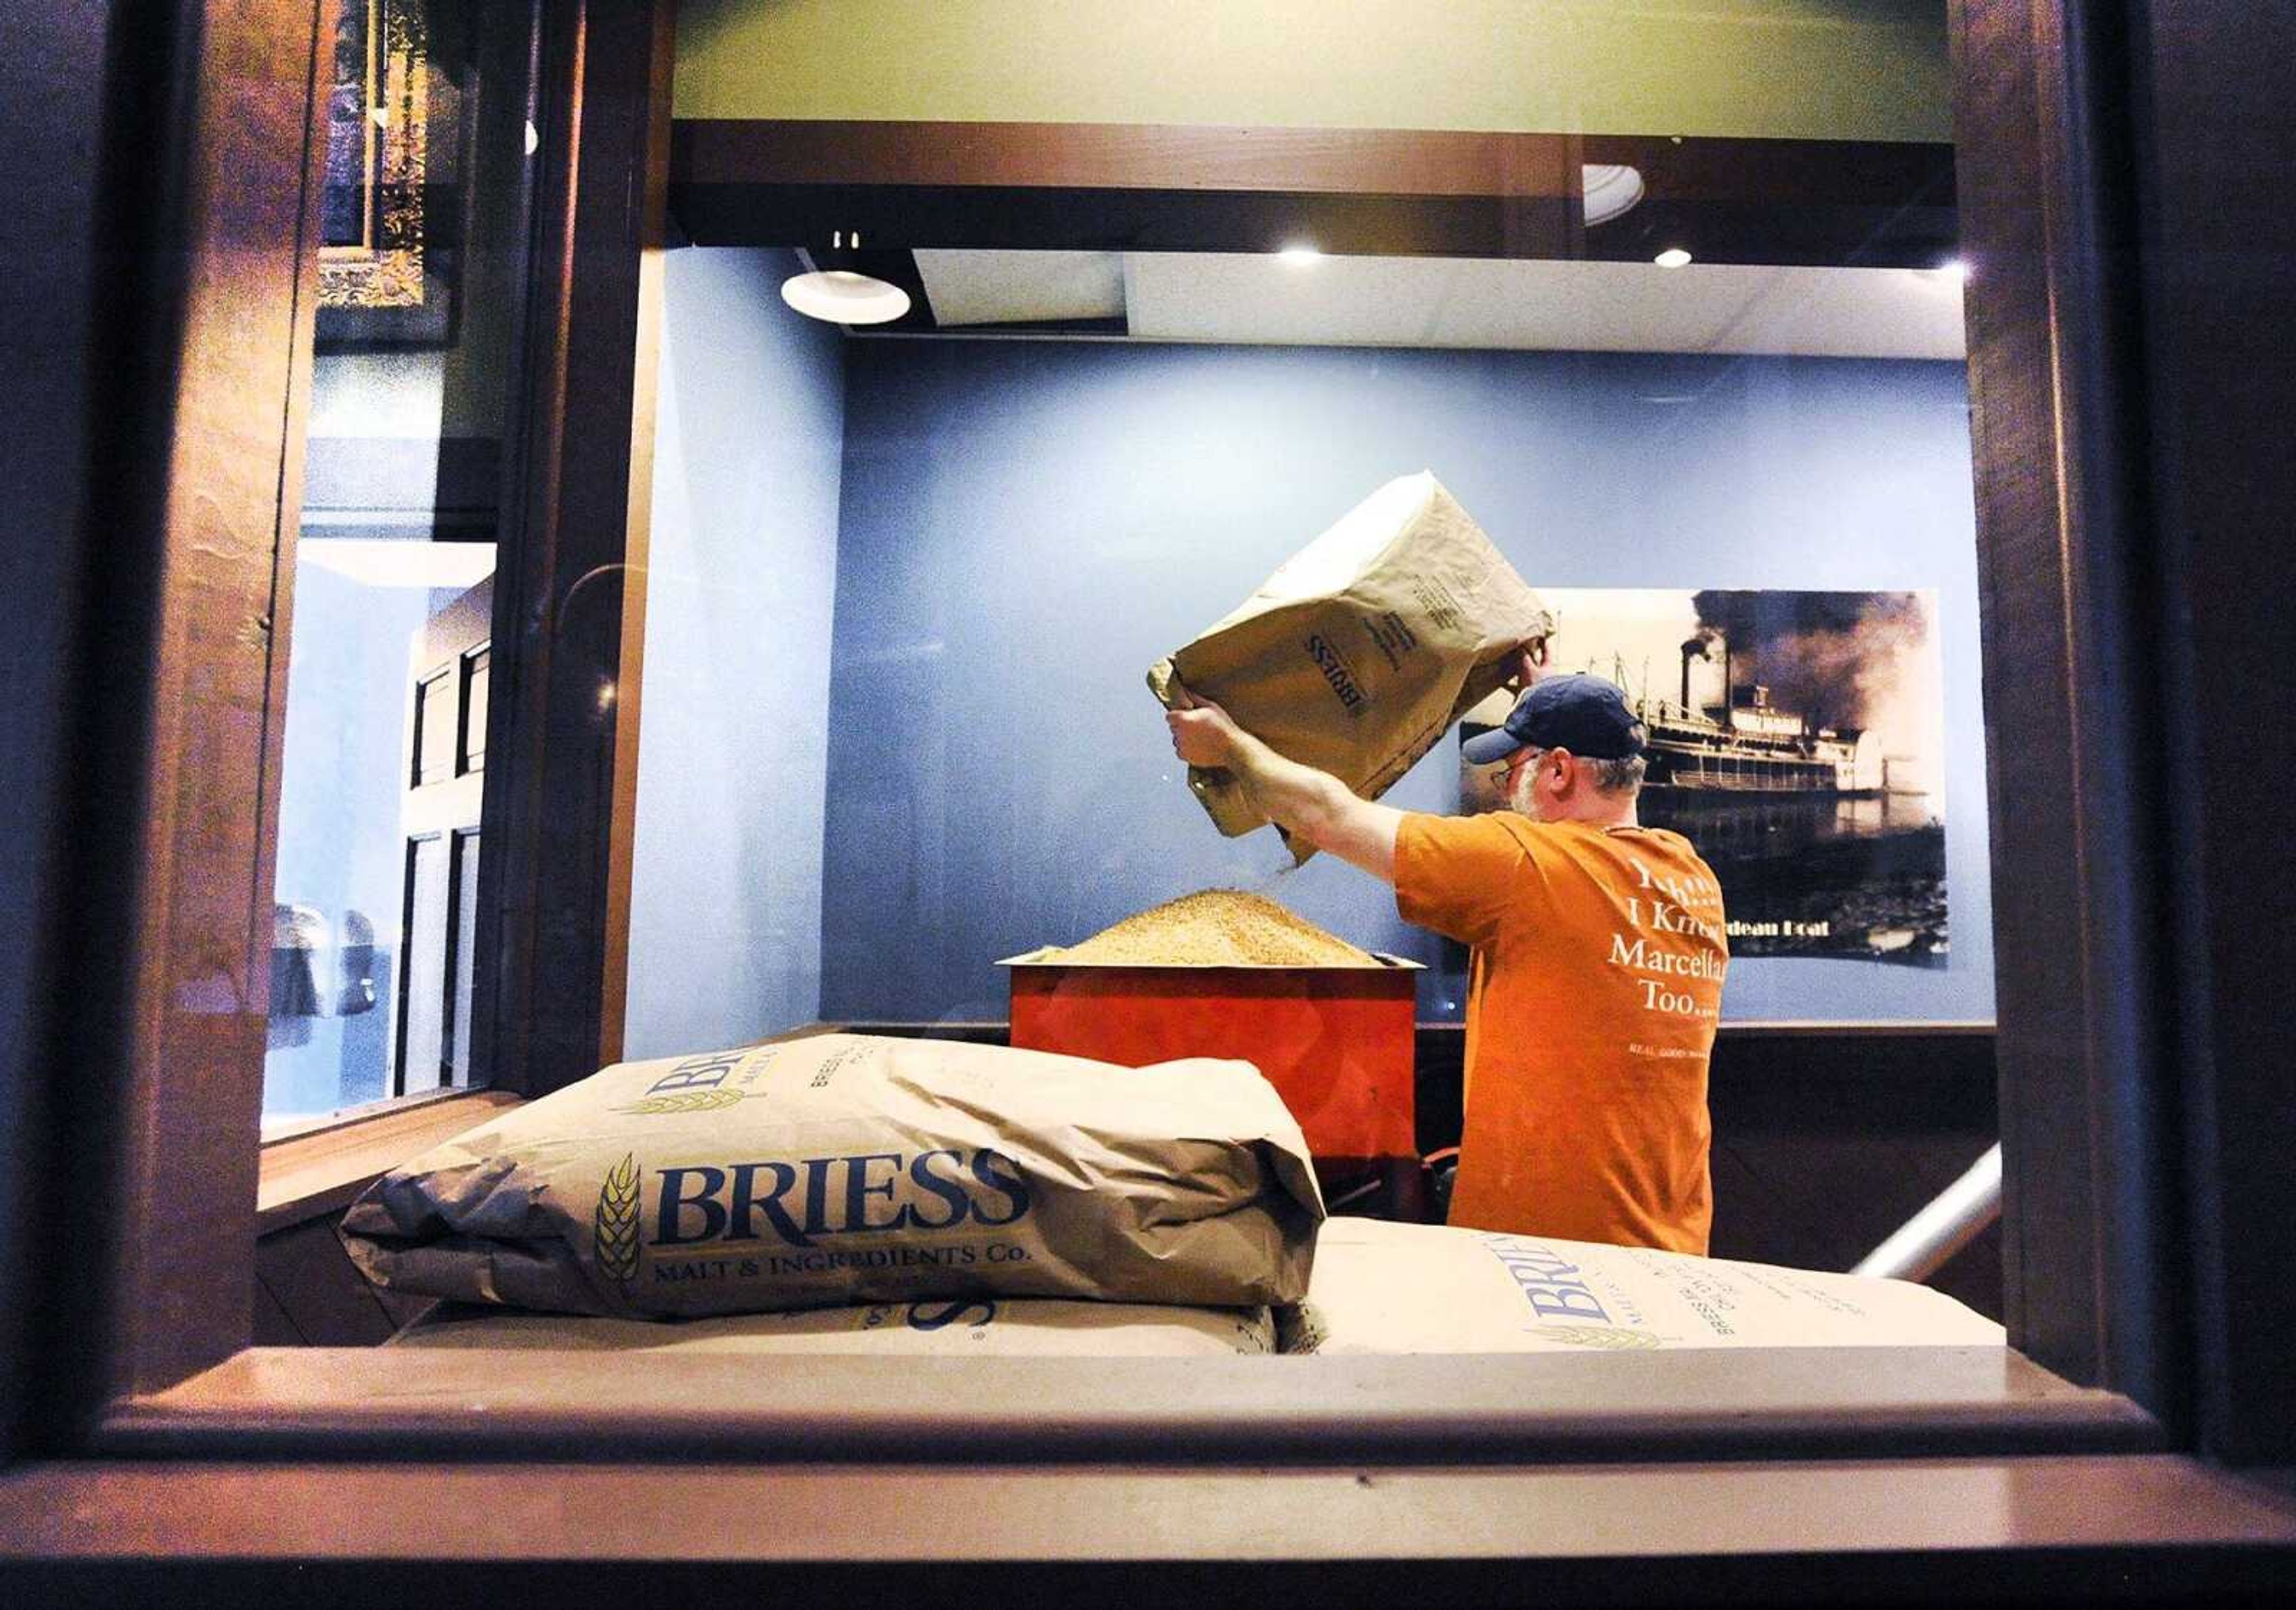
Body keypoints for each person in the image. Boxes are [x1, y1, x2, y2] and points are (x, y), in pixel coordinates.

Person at [1167, 672, 1727, 1254]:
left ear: (1559, 771)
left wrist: (1229, 746)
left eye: (1513, 772)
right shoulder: (1691, 878)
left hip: (1554, 1258)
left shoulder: (1528, 866)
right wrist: (1548, 697)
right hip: (1674, 1247)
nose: (1509, 790)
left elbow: (1326, 816)